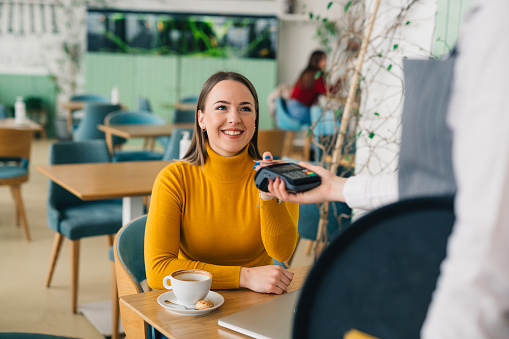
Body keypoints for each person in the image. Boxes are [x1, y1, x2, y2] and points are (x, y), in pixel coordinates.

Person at [269, 1, 509, 337]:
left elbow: (487, 254)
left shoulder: (499, 27)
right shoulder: (487, 18)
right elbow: (443, 186)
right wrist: (337, 187)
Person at [144, 71, 299, 295]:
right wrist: (243, 276)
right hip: (194, 302)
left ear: (255, 121)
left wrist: (269, 196)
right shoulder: (174, 179)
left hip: (256, 301)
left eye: (245, 108)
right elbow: (158, 270)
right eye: (221, 107)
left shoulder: (278, 176)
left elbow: (282, 253)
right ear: (202, 119)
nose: (234, 118)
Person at [287, 50, 331, 125]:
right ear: (317, 61)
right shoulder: (315, 75)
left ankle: (317, 136)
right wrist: (339, 82)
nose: (326, 62)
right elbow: (327, 91)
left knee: (321, 117)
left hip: (292, 107)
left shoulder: (308, 72)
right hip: (298, 109)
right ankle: (319, 137)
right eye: (323, 59)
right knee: (321, 119)